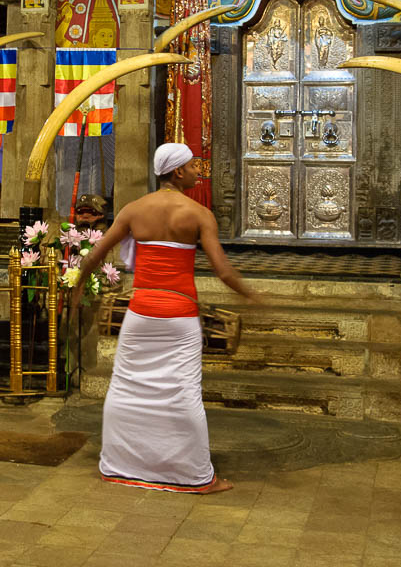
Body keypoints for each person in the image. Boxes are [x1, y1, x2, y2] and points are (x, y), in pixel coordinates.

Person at [71, 142, 263, 494]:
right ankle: (195, 477)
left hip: (140, 314)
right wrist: (252, 295)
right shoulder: (199, 214)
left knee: (126, 389)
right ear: (177, 171)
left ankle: (120, 466)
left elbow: (95, 255)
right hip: (179, 315)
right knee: (183, 394)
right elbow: (223, 271)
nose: (197, 170)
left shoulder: (133, 210)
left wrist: (76, 289)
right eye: (192, 166)